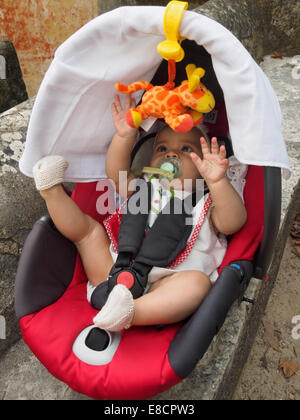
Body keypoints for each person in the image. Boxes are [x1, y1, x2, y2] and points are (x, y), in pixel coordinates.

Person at [32, 94, 247, 332]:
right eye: (162, 148)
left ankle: (130, 313)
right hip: (111, 271)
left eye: (186, 149)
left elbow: (232, 223)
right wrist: (125, 136)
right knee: (88, 233)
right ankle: (51, 190)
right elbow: (116, 174)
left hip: (165, 284)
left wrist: (217, 182)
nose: (170, 154)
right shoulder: (145, 185)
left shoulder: (207, 201)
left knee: (197, 284)